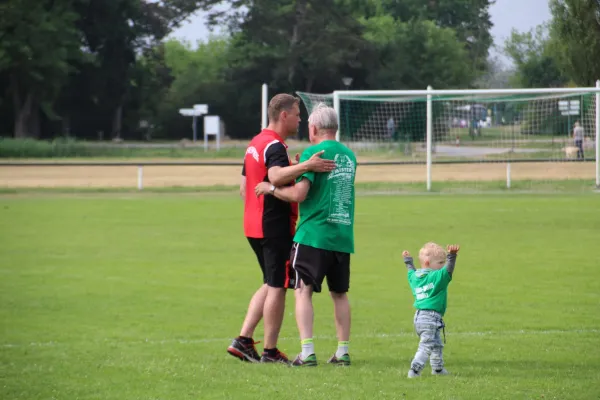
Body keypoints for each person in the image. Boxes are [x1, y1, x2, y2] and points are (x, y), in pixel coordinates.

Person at [227, 94, 336, 364]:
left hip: (252, 224)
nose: (300, 120)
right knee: (278, 285)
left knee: (270, 281)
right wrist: (307, 166)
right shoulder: (274, 146)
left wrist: (294, 166)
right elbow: (274, 177)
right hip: (272, 226)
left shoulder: (255, 143)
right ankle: (270, 351)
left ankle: (243, 340)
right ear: (284, 115)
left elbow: (245, 187)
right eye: (298, 114)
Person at [255, 103, 357, 367]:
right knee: (340, 294)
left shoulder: (314, 152)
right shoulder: (349, 156)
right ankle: (343, 352)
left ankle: (308, 351)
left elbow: (300, 195)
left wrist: (270, 189)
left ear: (313, 128)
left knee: (303, 291)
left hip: (313, 234)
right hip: (342, 235)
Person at [402, 243, 460, 378]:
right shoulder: (438, 277)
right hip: (431, 318)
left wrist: (408, 261)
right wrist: (452, 256)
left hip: (419, 317)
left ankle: (438, 369)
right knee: (426, 346)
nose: (442, 265)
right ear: (428, 263)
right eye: (440, 262)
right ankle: (414, 370)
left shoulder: (415, 277)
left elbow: (410, 270)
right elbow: (449, 270)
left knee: (436, 344)